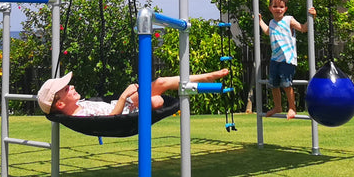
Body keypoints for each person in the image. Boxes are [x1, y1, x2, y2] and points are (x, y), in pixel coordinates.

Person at [37, 68, 231, 118]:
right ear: (60, 104)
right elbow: (110, 119)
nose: (71, 87)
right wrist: (124, 95)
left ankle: (206, 77)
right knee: (156, 102)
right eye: (66, 89)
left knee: (161, 82)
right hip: (124, 112)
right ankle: (205, 78)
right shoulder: (80, 116)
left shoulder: (79, 106)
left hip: (126, 105)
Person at [259, 0, 315, 119]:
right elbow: (267, 31)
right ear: (270, 8)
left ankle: (292, 107)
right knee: (273, 84)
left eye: (281, 7)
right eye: (275, 6)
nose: (278, 9)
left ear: (285, 9)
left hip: (287, 59)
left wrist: (311, 17)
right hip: (275, 59)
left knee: (286, 84)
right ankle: (278, 106)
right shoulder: (272, 23)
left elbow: (303, 28)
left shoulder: (288, 20)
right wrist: (260, 21)